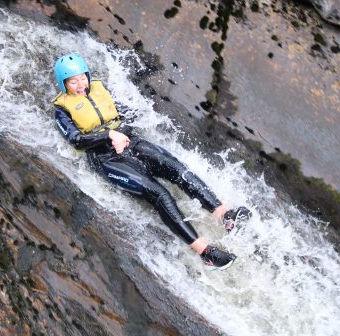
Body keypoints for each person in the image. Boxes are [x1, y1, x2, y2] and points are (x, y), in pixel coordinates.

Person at [52, 53, 251, 269]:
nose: (80, 84)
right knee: (159, 194)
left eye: (83, 78)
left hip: (128, 142)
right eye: (73, 81)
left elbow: (128, 115)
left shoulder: (100, 89)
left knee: (177, 169)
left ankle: (224, 215)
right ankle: (206, 253)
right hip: (104, 158)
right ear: (64, 84)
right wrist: (109, 136)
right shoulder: (61, 109)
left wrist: (120, 133)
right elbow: (77, 141)